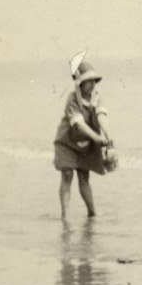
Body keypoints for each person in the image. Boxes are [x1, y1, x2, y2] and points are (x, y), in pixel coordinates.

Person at [53, 60, 112, 220]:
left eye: (94, 81)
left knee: (84, 177)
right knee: (67, 174)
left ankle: (92, 212)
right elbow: (78, 124)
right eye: (88, 81)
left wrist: (107, 134)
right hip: (67, 142)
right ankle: (65, 216)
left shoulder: (96, 98)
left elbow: (101, 115)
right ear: (80, 83)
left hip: (86, 144)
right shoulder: (72, 98)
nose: (92, 84)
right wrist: (96, 137)